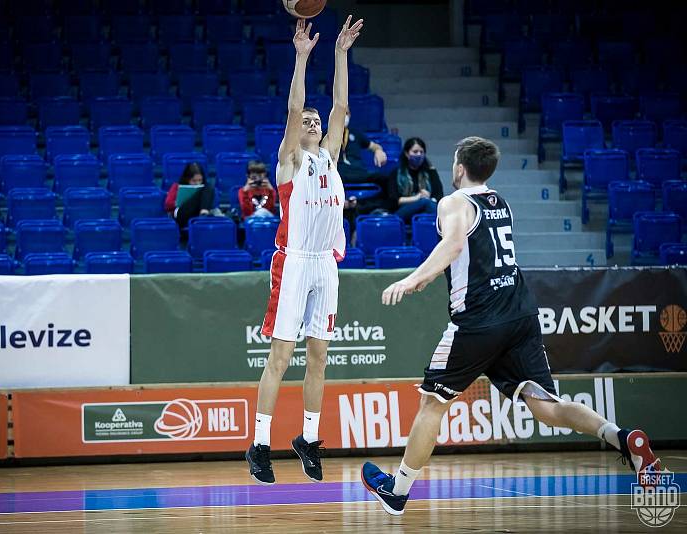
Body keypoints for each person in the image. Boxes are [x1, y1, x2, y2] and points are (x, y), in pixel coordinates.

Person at [360, 136, 661, 516]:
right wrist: (428, 275)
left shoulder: (453, 201)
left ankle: (398, 492)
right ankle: (622, 438)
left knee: (433, 403)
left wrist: (411, 279)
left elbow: (452, 244)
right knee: (547, 407)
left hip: (478, 321)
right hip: (519, 315)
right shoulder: (500, 202)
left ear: (458, 168)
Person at [246, 15, 363, 485]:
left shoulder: (331, 155)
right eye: (308, 122)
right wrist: (301, 59)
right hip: (293, 263)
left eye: (318, 123)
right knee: (280, 355)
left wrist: (340, 54)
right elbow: (296, 109)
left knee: (319, 356)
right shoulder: (289, 161)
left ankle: (308, 438)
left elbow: (341, 106)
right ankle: (258, 444)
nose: (313, 123)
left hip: (325, 267)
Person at [386, 137, 443, 223]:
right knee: (425, 203)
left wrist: (429, 198)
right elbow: (394, 200)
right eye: (415, 152)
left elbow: (439, 195)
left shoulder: (430, 171)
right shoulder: (396, 173)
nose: (419, 155)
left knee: (429, 206)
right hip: (402, 211)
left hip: (426, 209)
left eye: (421, 152)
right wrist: (417, 198)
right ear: (407, 153)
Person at [337, 109, 387, 183]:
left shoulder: (356, 134)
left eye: (346, 113)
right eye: (340, 112)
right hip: (339, 173)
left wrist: (378, 150)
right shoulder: (327, 135)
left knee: (385, 178)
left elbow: (374, 146)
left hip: (358, 171)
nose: (344, 115)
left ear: (350, 115)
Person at [164, 162, 217, 227]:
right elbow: (168, 205)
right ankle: (204, 215)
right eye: (194, 181)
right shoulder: (177, 186)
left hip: (197, 213)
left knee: (208, 187)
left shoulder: (205, 188)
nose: (197, 183)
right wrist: (178, 202)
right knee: (207, 188)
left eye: (200, 180)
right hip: (181, 214)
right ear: (187, 179)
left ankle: (203, 214)